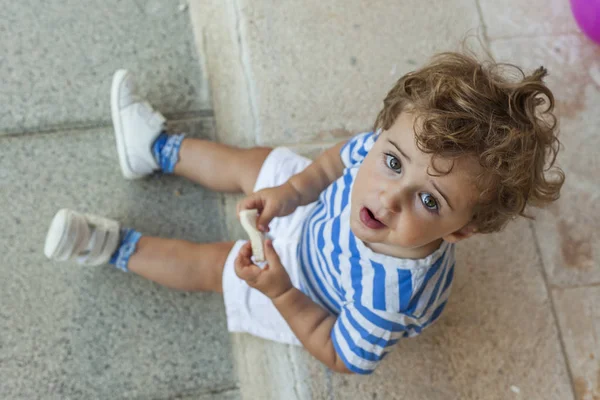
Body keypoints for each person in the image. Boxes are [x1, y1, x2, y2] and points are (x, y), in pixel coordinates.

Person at [44, 51, 564, 375]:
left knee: (214, 267)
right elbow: (340, 158)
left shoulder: (388, 295)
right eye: (390, 161)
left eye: (429, 201)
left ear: (463, 229)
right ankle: (154, 149)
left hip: (308, 290)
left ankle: (111, 248)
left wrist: (280, 291)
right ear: (387, 135)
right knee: (253, 165)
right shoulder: (392, 152)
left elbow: (340, 354)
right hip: (316, 214)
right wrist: (292, 193)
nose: (388, 197)